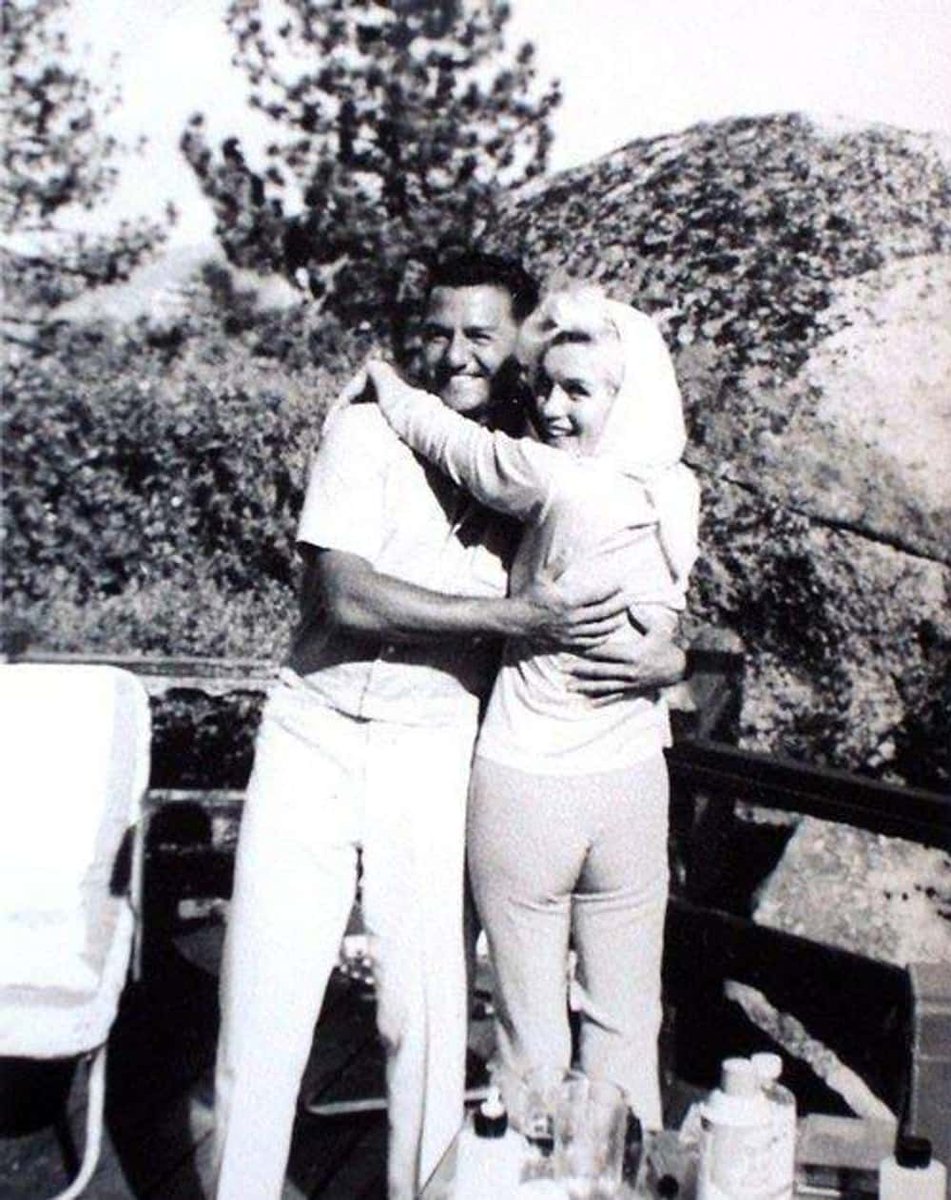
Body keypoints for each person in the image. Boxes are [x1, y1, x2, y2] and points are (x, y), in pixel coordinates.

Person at [212, 253, 684, 1200]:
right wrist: (511, 618)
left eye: (479, 335)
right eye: (435, 333)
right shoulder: (367, 430)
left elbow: (643, 562)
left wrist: (667, 658)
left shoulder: (552, 455)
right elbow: (344, 596)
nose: (454, 353)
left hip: (435, 742)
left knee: (424, 1020)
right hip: (314, 730)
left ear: (520, 346)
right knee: (263, 999)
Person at [355, 283, 700, 1128]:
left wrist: (385, 381)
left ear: (626, 399)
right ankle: (619, 1171)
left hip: (528, 784)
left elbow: (452, 442)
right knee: (626, 1022)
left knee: (528, 1035)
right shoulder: (675, 494)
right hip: (633, 781)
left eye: (577, 391)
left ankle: (523, 1174)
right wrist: (673, 660)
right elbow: (664, 627)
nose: (549, 408)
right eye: (545, 386)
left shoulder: (558, 483)